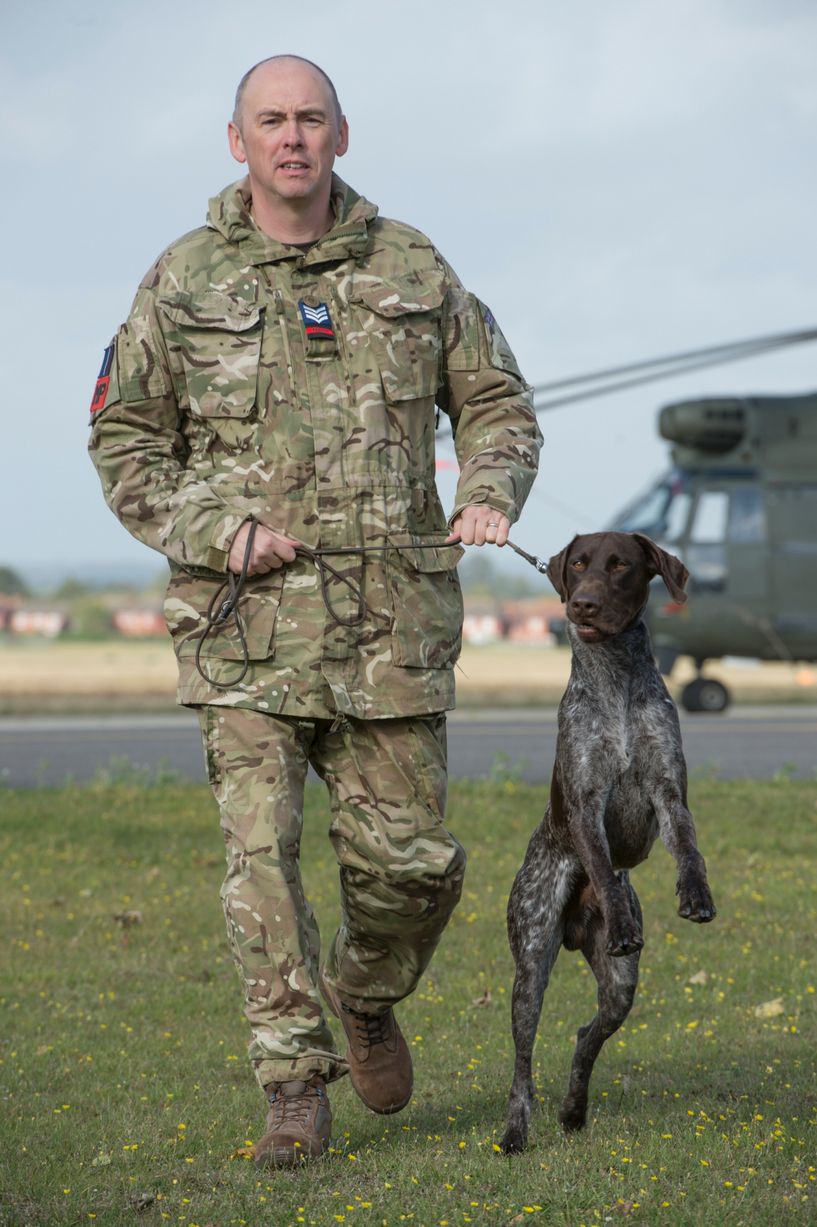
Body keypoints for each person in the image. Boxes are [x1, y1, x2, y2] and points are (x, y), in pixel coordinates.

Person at [88, 54, 542, 1167]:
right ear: (235, 141)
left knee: (418, 866)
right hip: (244, 626)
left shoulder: (413, 265)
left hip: (391, 626)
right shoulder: (182, 279)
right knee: (260, 857)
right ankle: (292, 1081)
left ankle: (365, 991)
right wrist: (215, 531)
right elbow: (124, 438)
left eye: (310, 119)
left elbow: (497, 401)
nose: (291, 137)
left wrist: (484, 494)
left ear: (342, 135)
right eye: (270, 121)